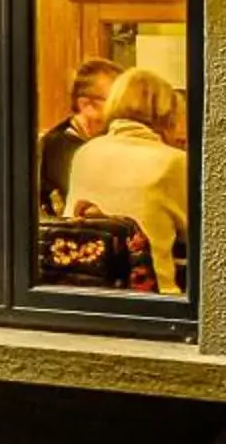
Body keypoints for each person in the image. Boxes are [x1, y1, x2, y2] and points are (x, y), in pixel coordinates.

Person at [65, 69, 191, 294]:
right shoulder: (174, 162)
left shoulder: (84, 153)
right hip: (151, 298)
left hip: (87, 289)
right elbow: (200, 234)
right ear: (168, 113)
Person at [36, 59, 123, 214]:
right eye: (116, 102)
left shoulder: (104, 141)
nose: (123, 110)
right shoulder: (59, 147)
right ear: (86, 105)